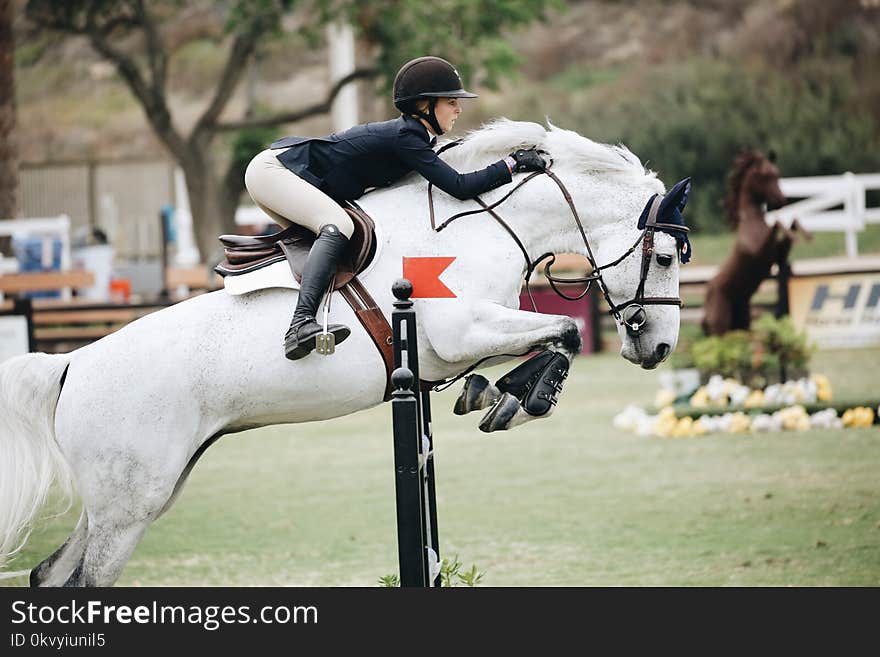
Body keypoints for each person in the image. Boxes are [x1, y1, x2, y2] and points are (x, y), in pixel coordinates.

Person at [244, 55, 548, 361]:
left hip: (290, 173)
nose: (458, 108)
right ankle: (300, 325)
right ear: (424, 105)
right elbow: (459, 187)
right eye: (451, 101)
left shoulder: (414, 138)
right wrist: (512, 164)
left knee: (339, 240)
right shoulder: (408, 137)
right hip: (275, 171)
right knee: (339, 227)